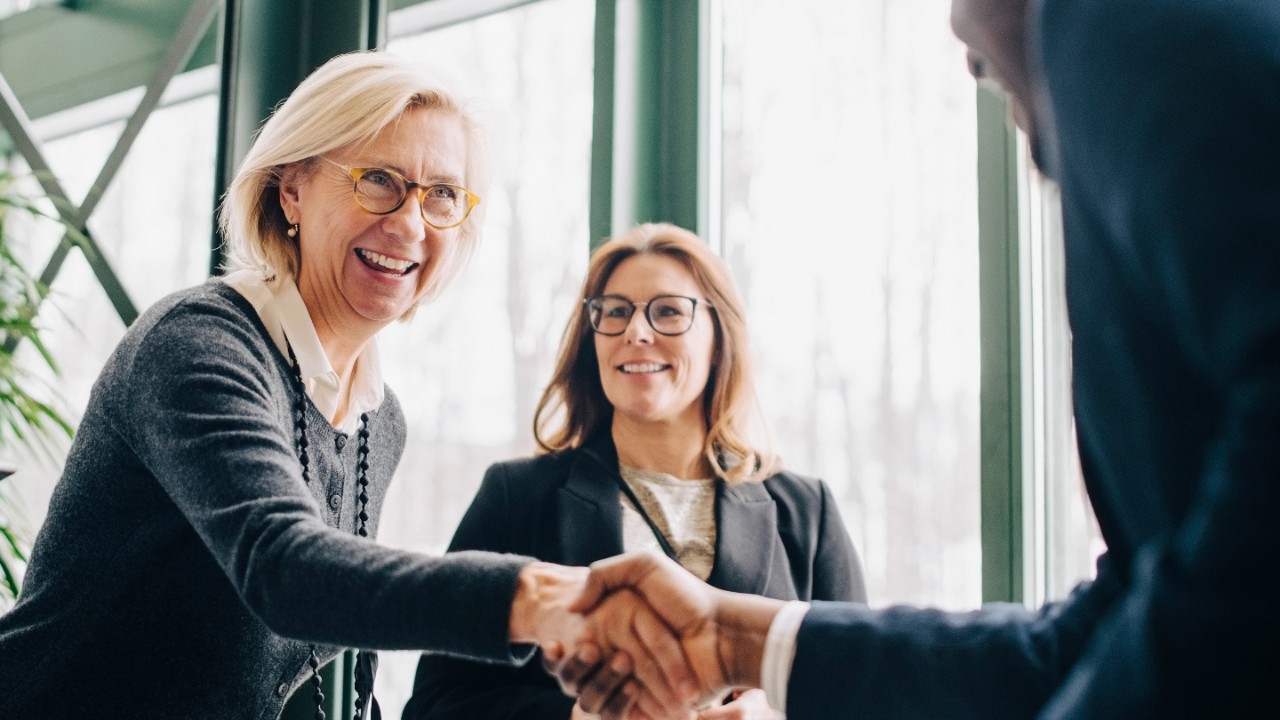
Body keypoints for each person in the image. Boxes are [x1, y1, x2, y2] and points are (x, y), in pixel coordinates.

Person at [551, 0, 1280, 718]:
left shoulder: (1120, 21)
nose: (966, 55)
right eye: (613, 313)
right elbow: (1101, 634)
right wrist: (735, 638)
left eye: (669, 312)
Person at [0, 51, 696, 720]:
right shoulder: (197, 343)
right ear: (293, 187)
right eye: (378, 180)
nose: (409, 223)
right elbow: (289, 572)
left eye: (442, 195)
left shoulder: (377, 418)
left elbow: (334, 636)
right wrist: (553, 599)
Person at [402, 222, 866, 720]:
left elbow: (870, 689)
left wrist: (774, 715)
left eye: (668, 311)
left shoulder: (807, 511)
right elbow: (434, 706)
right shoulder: (517, 497)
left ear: (719, 340)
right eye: (615, 312)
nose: (636, 332)